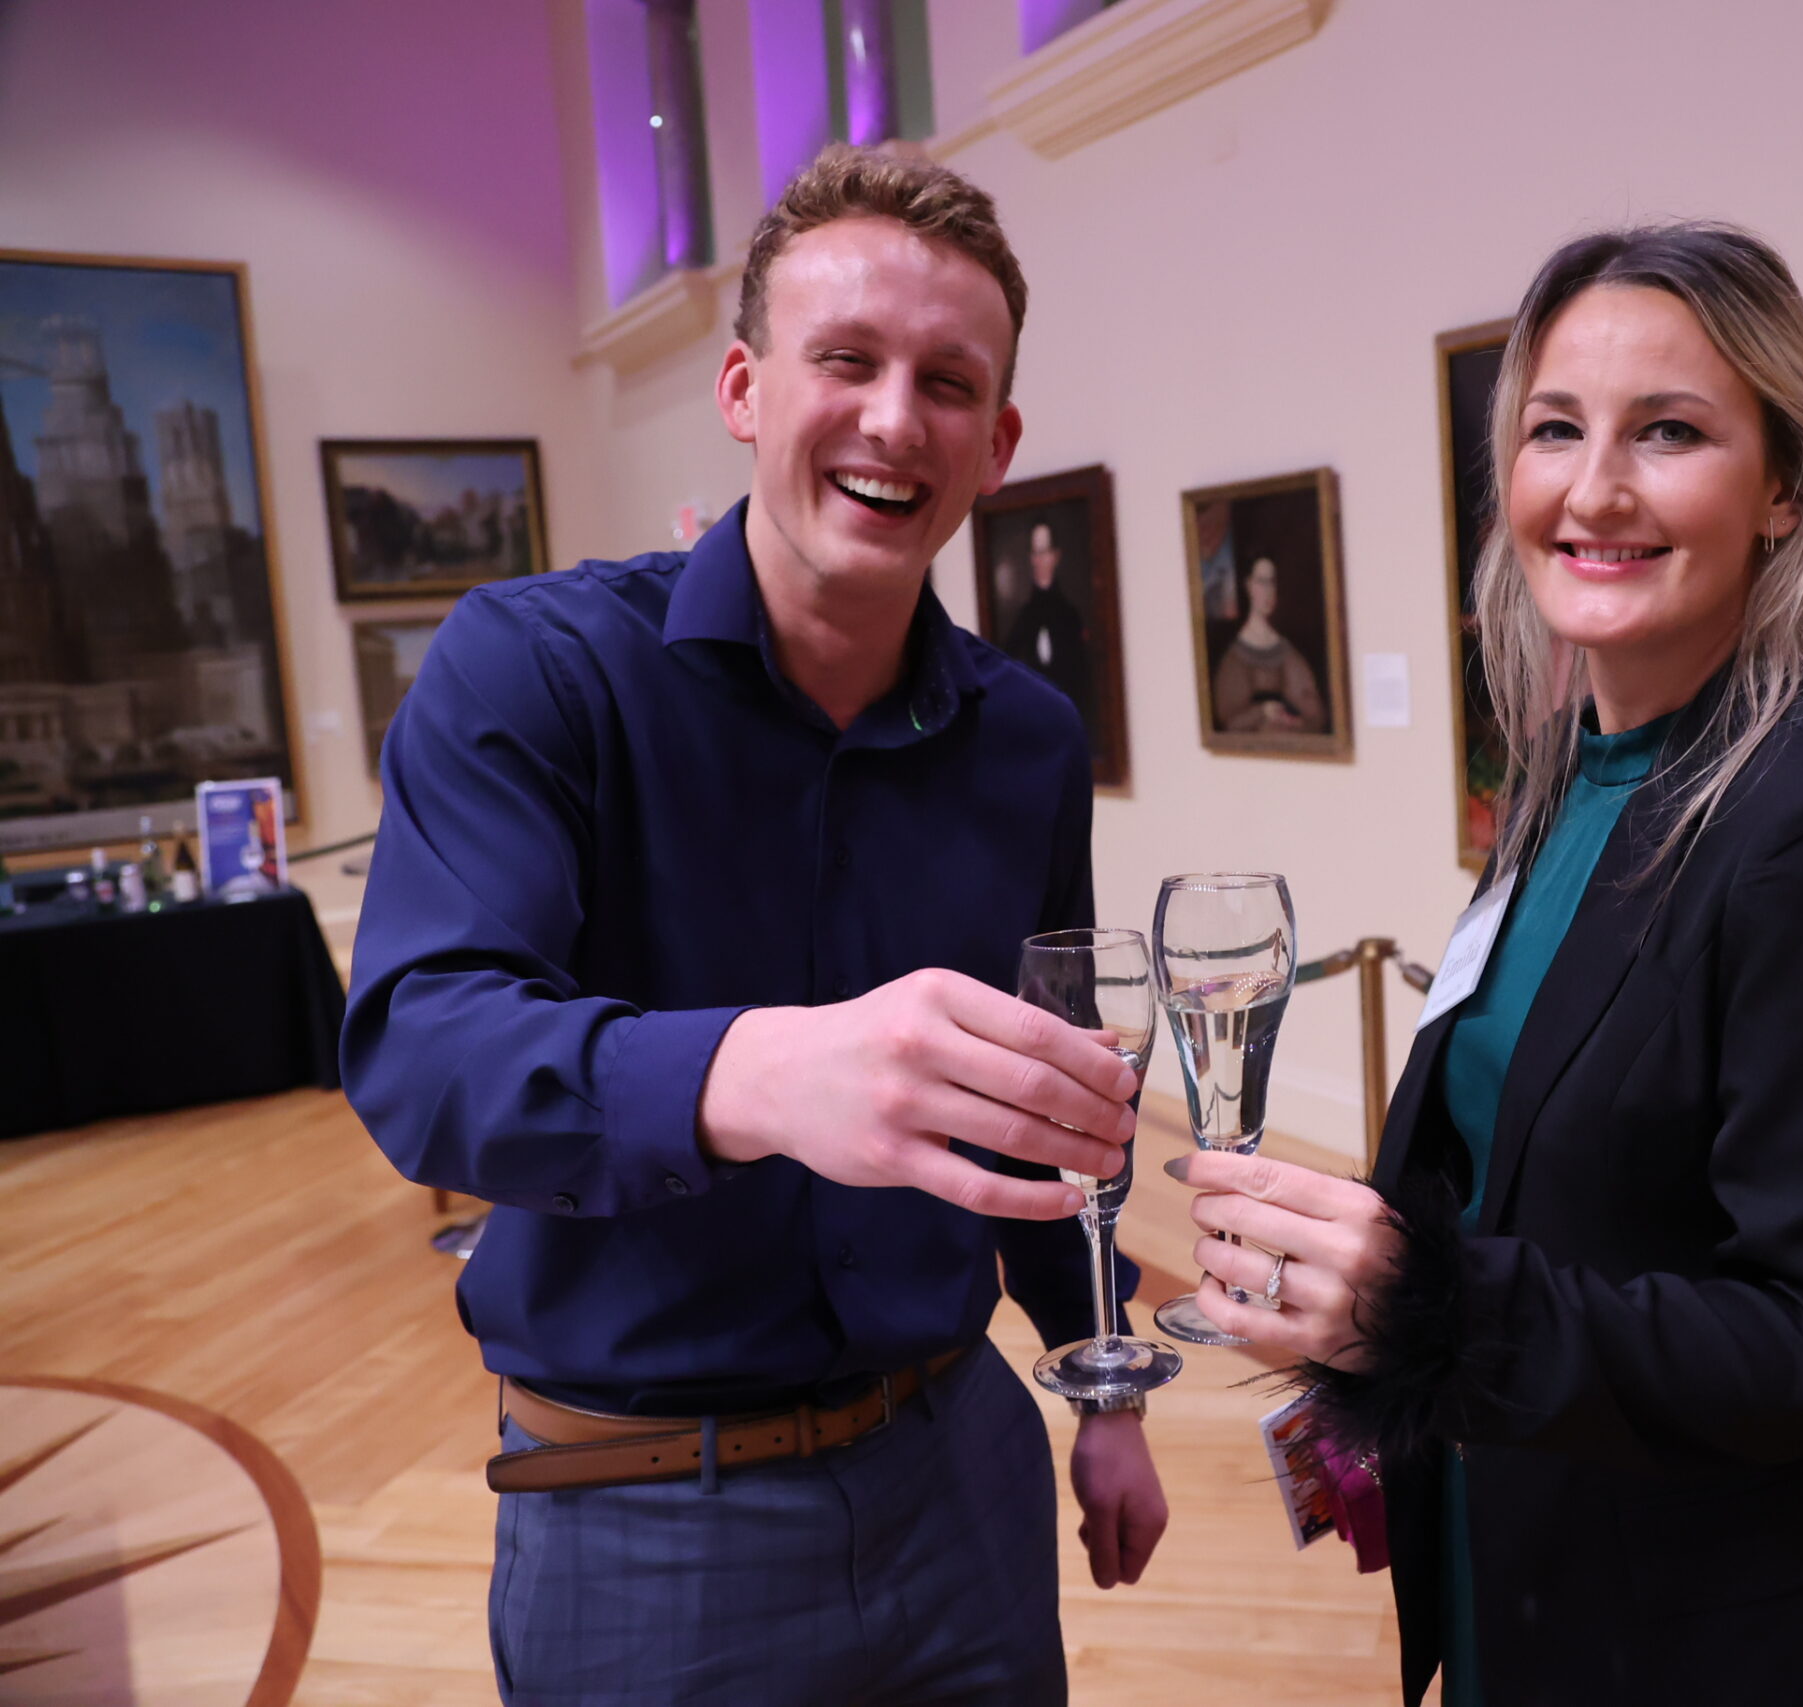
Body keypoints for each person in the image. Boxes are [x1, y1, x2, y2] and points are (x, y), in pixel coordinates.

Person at [341, 144, 1166, 1706]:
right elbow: (424, 1048)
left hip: (960, 1467)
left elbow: (1054, 1102)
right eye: (844, 359)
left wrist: (1101, 1381)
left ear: (994, 446)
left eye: (945, 383)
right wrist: (762, 1074)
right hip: (648, 1512)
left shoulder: (1028, 740)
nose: (890, 417)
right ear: (742, 387)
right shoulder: (537, 669)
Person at [1167, 223, 1803, 1704]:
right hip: (1543, 1552)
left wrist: (1428, 1306)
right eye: (1556, 427)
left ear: (1783, 492)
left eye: (1670, 431)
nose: (1596, 486)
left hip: (1729, 1630)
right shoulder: (1569, 774)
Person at [1211, 555, 1327, 732]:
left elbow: (1315, 714)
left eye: (1272, 582)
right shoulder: (1234, 658)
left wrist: (1295, 721)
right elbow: (1229, 723)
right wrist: (1263, 711)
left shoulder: (1287, 652)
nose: (1269, 591)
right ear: (1248, 585)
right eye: (1262, 582)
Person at [1000, 518, 1095, 726]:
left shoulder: (1070, 615)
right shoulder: (1024, 617)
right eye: (1036, 553)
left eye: (1045, 552)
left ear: (1055, 556)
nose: (1040, 560)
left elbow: (1082, 678)